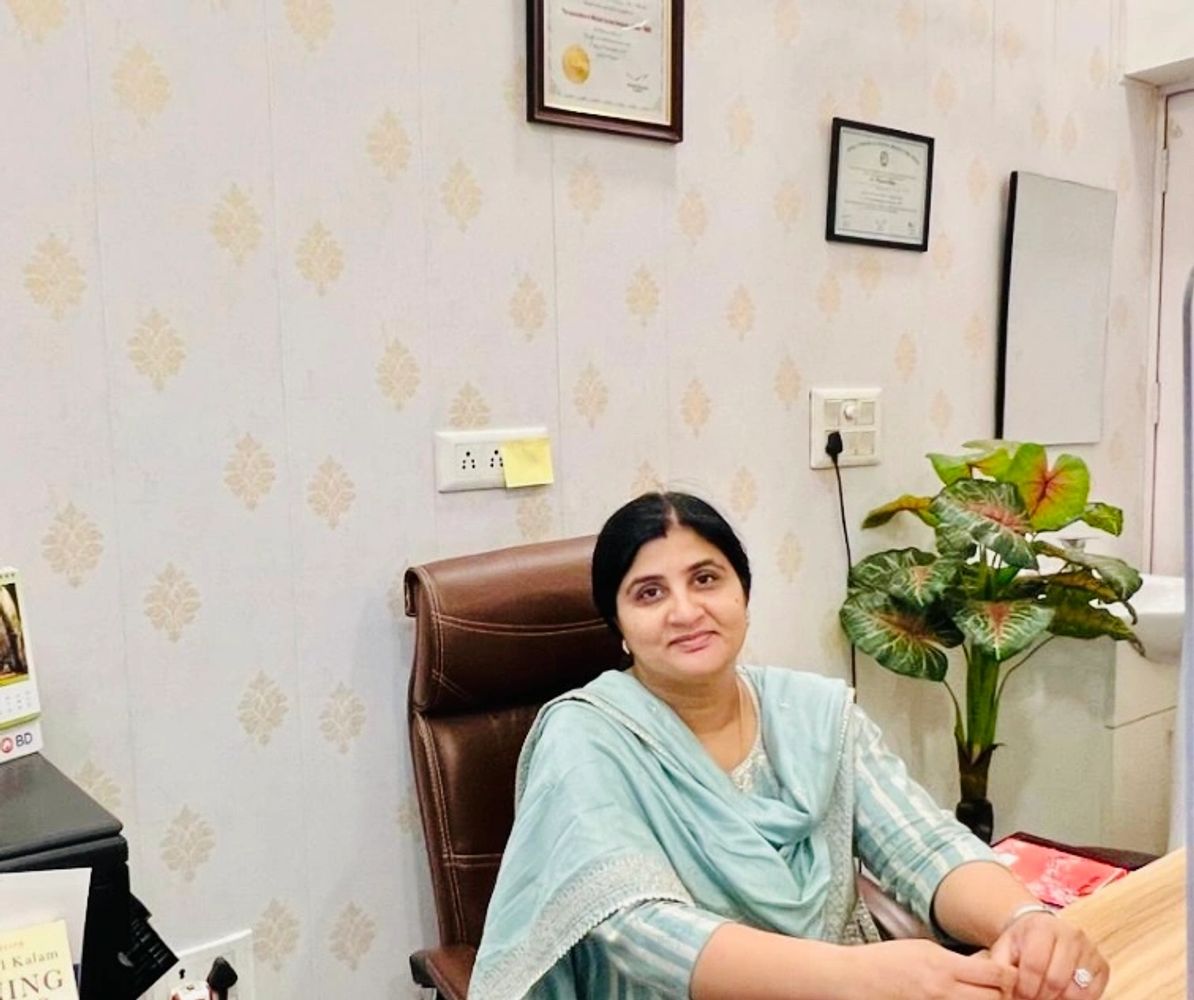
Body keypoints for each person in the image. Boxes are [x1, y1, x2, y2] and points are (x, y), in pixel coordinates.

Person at [470, 491, 1109, 1000]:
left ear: (744, 594)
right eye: (649, 592)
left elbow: (922, 845)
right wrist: (858, 978)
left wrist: (1026, 923)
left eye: (706, 578)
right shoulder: (585, 736)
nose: (686, 610)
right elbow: (639, 932)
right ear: (620, 629)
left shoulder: (813, 714)